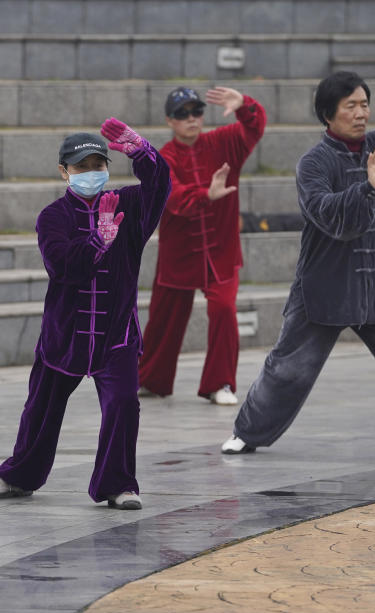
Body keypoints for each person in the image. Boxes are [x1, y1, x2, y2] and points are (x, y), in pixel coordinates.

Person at [221, 73, 375, 462]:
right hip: (322, 284)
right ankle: (248, 431)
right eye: (350, 106)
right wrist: (368, 188)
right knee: (290, 368)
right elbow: (331, 218)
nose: (360, 113)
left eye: (364, 104)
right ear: (328, 115)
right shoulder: (312, 163)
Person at [0, 118, 171, 509]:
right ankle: (18, 477)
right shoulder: (52, 217)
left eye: (98, 166)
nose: (91, 174)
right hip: (65, 333)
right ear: (64, 171)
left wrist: (140, 150)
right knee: (41, 408)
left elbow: (160, 186)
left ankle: (118, 484)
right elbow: (62, 268)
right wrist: (97, 242)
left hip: (115, 333)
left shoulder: (127, 206)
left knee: (122, 405)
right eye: (81, 168)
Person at [138, 85, 266, 406]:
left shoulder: (224, 141)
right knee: (163, 322)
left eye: (196, 111)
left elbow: (254, 127)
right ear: (169, 120)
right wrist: (205, 195)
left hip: (221, 252)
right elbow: (173, 197)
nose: (192, 119)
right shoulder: (162, 158)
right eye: (182, 114)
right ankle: (149, 379)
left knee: (223, 309)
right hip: (179, 255)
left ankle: (219, 383)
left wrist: (244, 104)